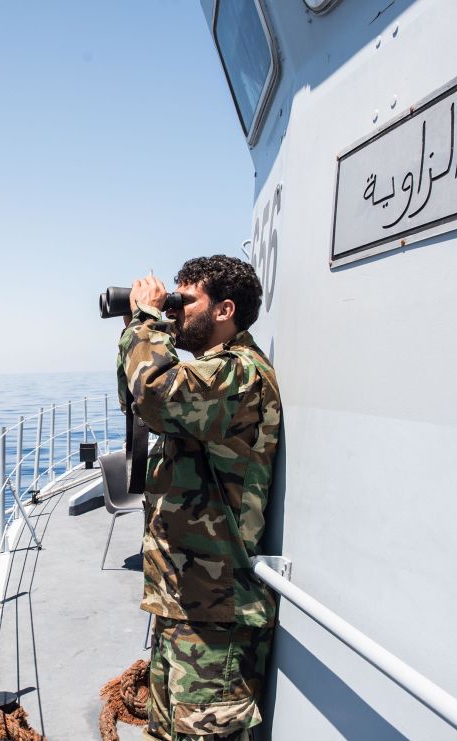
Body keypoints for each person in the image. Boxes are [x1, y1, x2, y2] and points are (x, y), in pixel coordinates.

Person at [116, 255, 280, 741]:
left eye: (184, 302)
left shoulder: (239, 375)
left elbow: (156, 393)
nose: (173, 310)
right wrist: (134, 329)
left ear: (225, 309)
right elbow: (138, 395)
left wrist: (145, 323)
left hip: (217, 616)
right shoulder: (208, 373)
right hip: (184, 603)